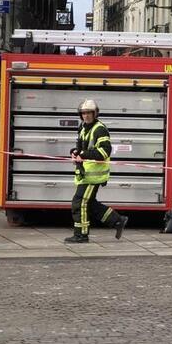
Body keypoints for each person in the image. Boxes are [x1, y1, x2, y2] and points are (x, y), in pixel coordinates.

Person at [65, 100, 128, 244]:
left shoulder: (99, 129)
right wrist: (75, 152)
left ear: (95, 113)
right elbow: (81, 147)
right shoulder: (83, 127)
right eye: (83, 113)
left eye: (88, 113)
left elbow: (104, 151)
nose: (86, 116)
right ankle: (117, 220)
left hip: (93, 176)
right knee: (90, 204)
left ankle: (81, 235)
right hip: (85, 173)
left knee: (79, 203)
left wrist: (83, 154)